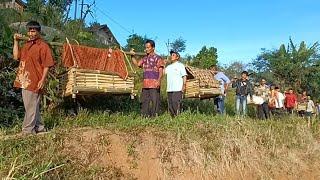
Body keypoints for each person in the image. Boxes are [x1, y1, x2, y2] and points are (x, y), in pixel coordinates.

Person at [13, 21, 54, 135]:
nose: (31, 33)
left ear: (38, 32)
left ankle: (28, 130)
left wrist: (42, 80)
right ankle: (39, 127)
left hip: (35, 80)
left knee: (30, 106)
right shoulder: (26, 45)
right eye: (29, 31)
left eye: (33, 31)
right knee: (32, 105)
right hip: (23, 79)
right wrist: (16, 41)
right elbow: (16, 56)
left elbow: (47, 65)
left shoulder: (43, 46)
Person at [131, 39, 165, 117]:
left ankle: (154, 116)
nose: (146, 49)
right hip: (145, 84)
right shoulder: (145, 58)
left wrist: (159, 81)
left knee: (155, 101)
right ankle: (144, 116)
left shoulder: (158, 58)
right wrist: (132, 56)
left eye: (148, 47)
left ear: (153, 48)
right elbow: (137, 64)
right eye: (146, 47)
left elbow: (161, 70)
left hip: (154, 84)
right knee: (144, 101)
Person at [165, 50, 187, 117]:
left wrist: (184, 85)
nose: (171, 56)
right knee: (170, 104)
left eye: (173, 55)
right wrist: (164, 64)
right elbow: (163, 73)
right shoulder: (168, 67)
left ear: (177, 57)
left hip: (177, 88)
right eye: (171, 55)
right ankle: (173, 118)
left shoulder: (180, 65)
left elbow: (184, 76)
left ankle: (178, 117)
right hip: (169, 89)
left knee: (176, 103)